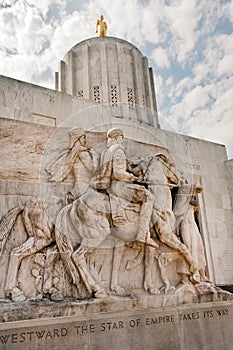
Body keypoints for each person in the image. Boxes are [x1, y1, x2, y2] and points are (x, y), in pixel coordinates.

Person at [91, 128, 157, 248]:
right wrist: (132, 178)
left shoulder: (106, 152)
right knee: (149, 197)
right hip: (119, 186)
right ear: (117, 137)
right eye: (122, 138)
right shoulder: (118, 150)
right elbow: (118, 173)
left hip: (108, 187)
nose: (122, 141)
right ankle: (142, 234)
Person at [46, 128, 98, 201]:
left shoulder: (73, 152)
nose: (85, 141)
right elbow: (92, 168)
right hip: (85, 187)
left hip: (78, 185)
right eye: (84, 137)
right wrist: (95, 157)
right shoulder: (82, 152)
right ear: (79, 138)